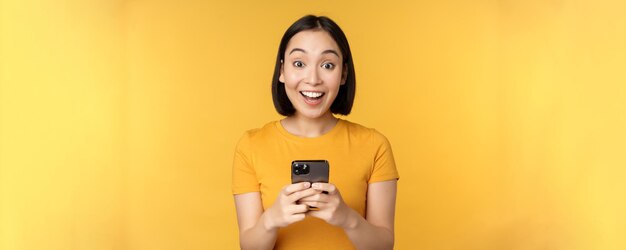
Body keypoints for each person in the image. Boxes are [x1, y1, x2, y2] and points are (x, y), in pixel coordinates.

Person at [232, 15, 399, 250]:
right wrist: (271, 220)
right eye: (299, 63)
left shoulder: (374, 145)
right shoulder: (251, 145)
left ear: (343, 75)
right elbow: (249, 246)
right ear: (282, 71)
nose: (313, 79)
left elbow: (384, 246)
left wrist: (347, 218)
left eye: (327, 65)